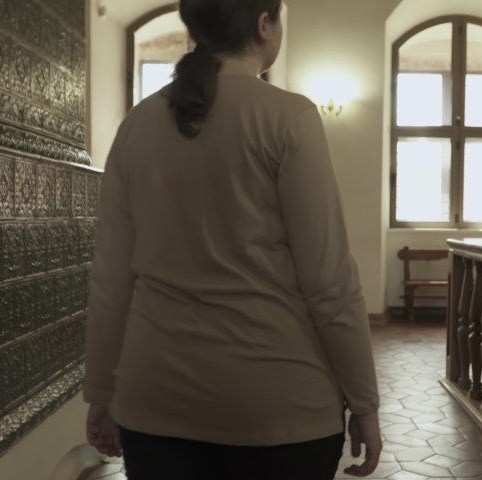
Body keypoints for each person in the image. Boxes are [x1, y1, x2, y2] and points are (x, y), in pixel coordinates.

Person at [83, 0, 381, 478]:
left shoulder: (137, 125)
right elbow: (329, 281)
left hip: (156, 398)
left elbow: (110, 280)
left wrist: (100, 391)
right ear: (265, 25)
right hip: (277, 404)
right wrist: (364, 401)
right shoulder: (289, 117)